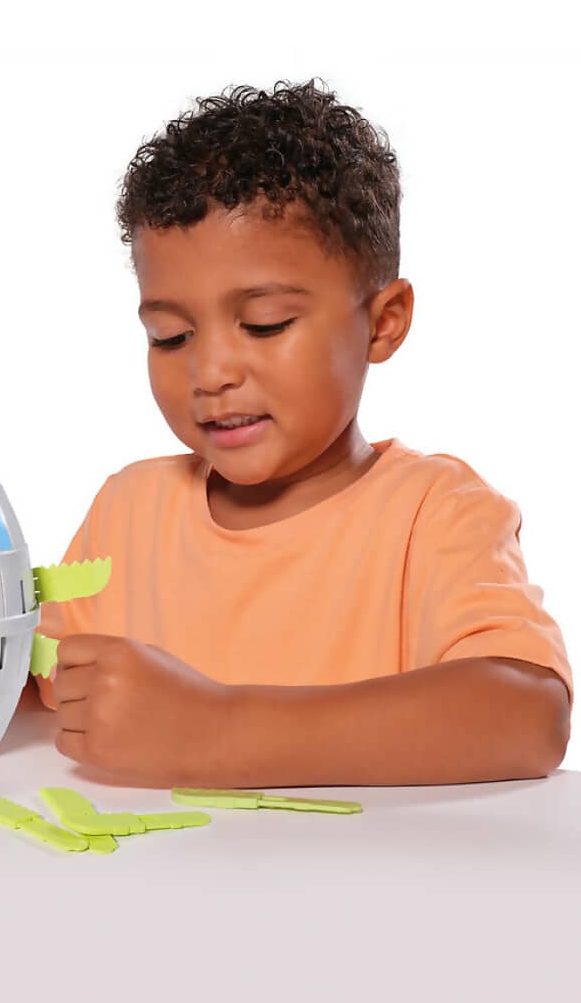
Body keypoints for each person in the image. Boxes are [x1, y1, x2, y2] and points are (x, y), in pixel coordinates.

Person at [39, 81, 570, 786]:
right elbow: (26, 684)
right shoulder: (129, 511)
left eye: (265, 325)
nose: (210, 372)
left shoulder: (435, 514)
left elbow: (529, 718)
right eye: (171, 335)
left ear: (383, 323)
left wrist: (216, 730)